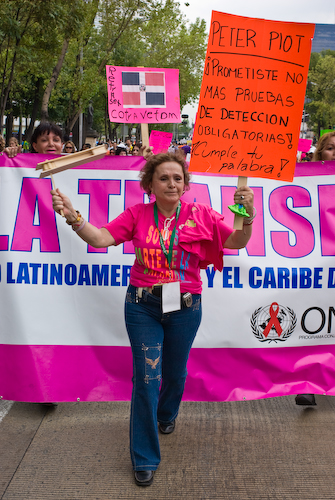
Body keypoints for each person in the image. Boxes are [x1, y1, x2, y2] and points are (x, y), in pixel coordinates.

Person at [51, 152, 255, 486]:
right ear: (150, 184)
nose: (172, 183)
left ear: (186, 184)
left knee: (174, 374)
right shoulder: (137, 214)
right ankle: (144, 456)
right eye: (164, 178)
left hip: (185, 307)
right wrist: (73, 215)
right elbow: (101, 238)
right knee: (147, 379)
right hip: (142, 305)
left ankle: (167, 413)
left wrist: (247, 215)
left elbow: (235, 241)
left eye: (178, 178)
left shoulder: (200, 214)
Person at [295, 131, 335, 407]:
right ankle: (308, 383)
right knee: (316, 325)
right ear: (321, 153)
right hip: (319, 265)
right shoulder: (308, 182)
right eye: (331, 148)